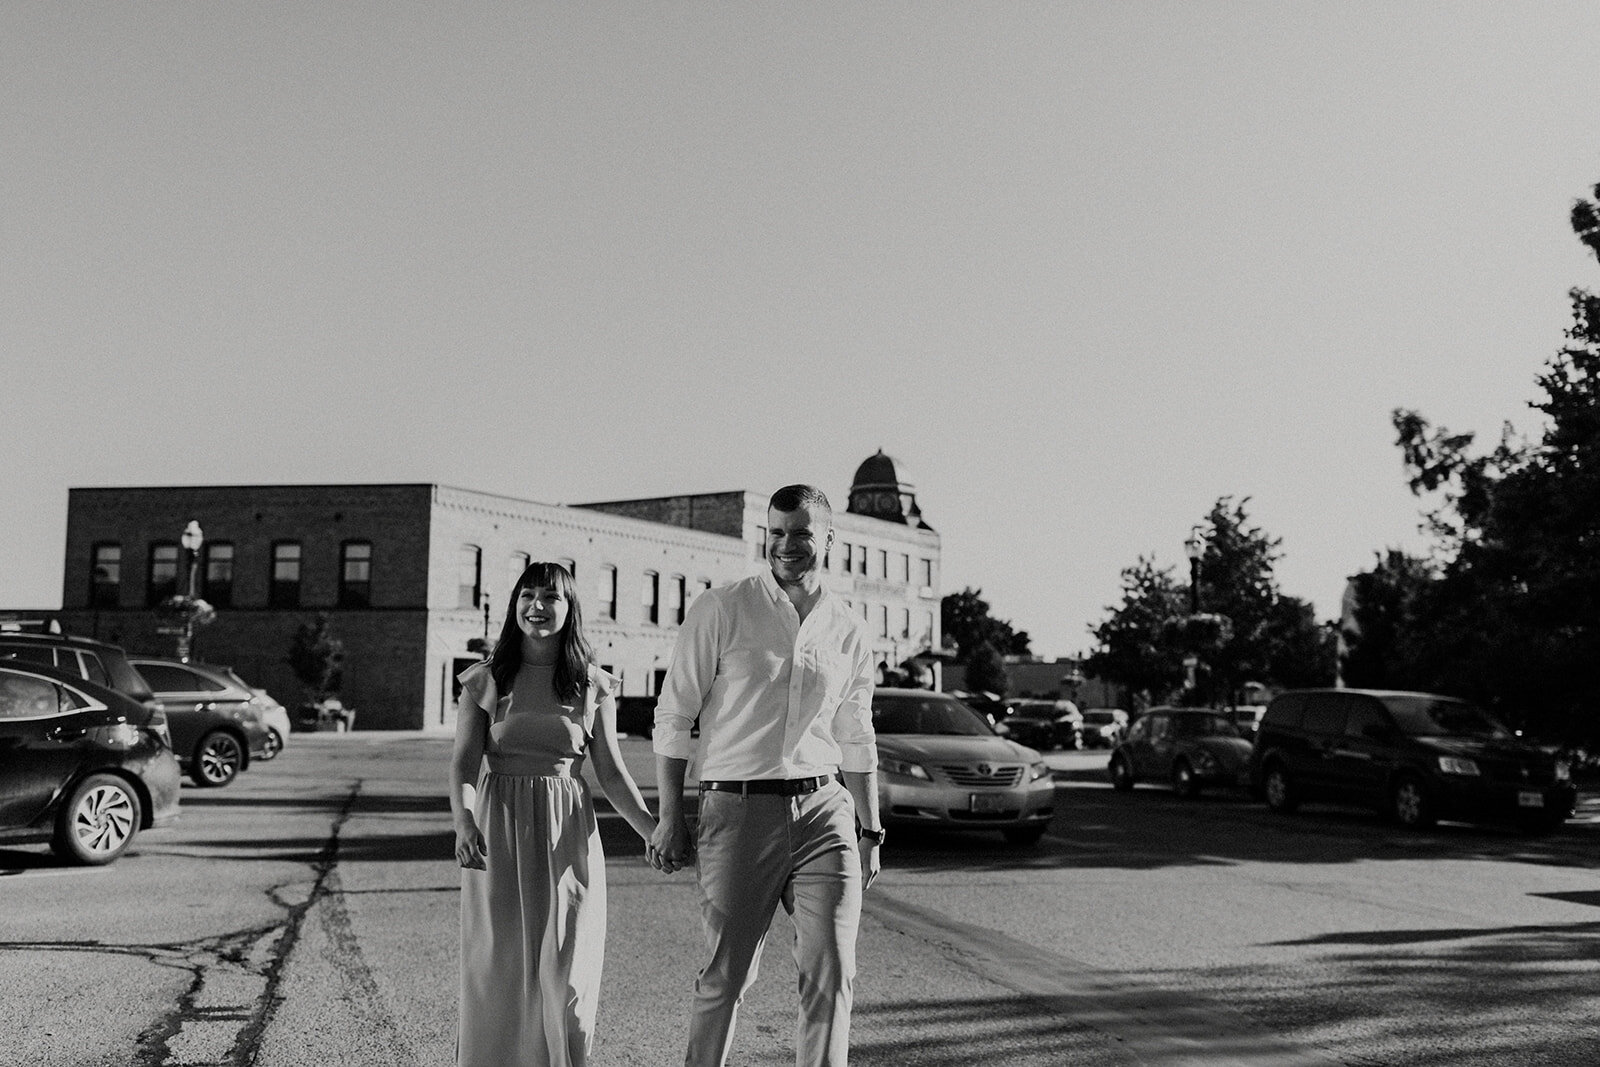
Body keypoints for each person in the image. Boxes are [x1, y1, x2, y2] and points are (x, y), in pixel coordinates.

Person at [648, 484, 882, 1067]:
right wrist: (670, 817)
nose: (786, 545)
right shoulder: (722, 607)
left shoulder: (848, 627)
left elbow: (856, 734)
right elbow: (675, 715)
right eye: (776, 533)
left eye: (801, 533)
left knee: (833, 970)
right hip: (738, 807)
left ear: (828, 538)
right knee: (728, 974)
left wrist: (870, 829)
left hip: (825, 810)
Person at [449, 561, 657, 1067]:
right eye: (527, 595)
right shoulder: (487, 680)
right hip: (498, 835)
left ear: (570, 609)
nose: (537, 606)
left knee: (565, 975)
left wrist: (656, 831)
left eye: (550, 597)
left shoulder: (591, 685)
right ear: (515, 604)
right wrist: (465, 821)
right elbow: (464, 762)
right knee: (498, 973)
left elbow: (610, 773)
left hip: (568, 838)